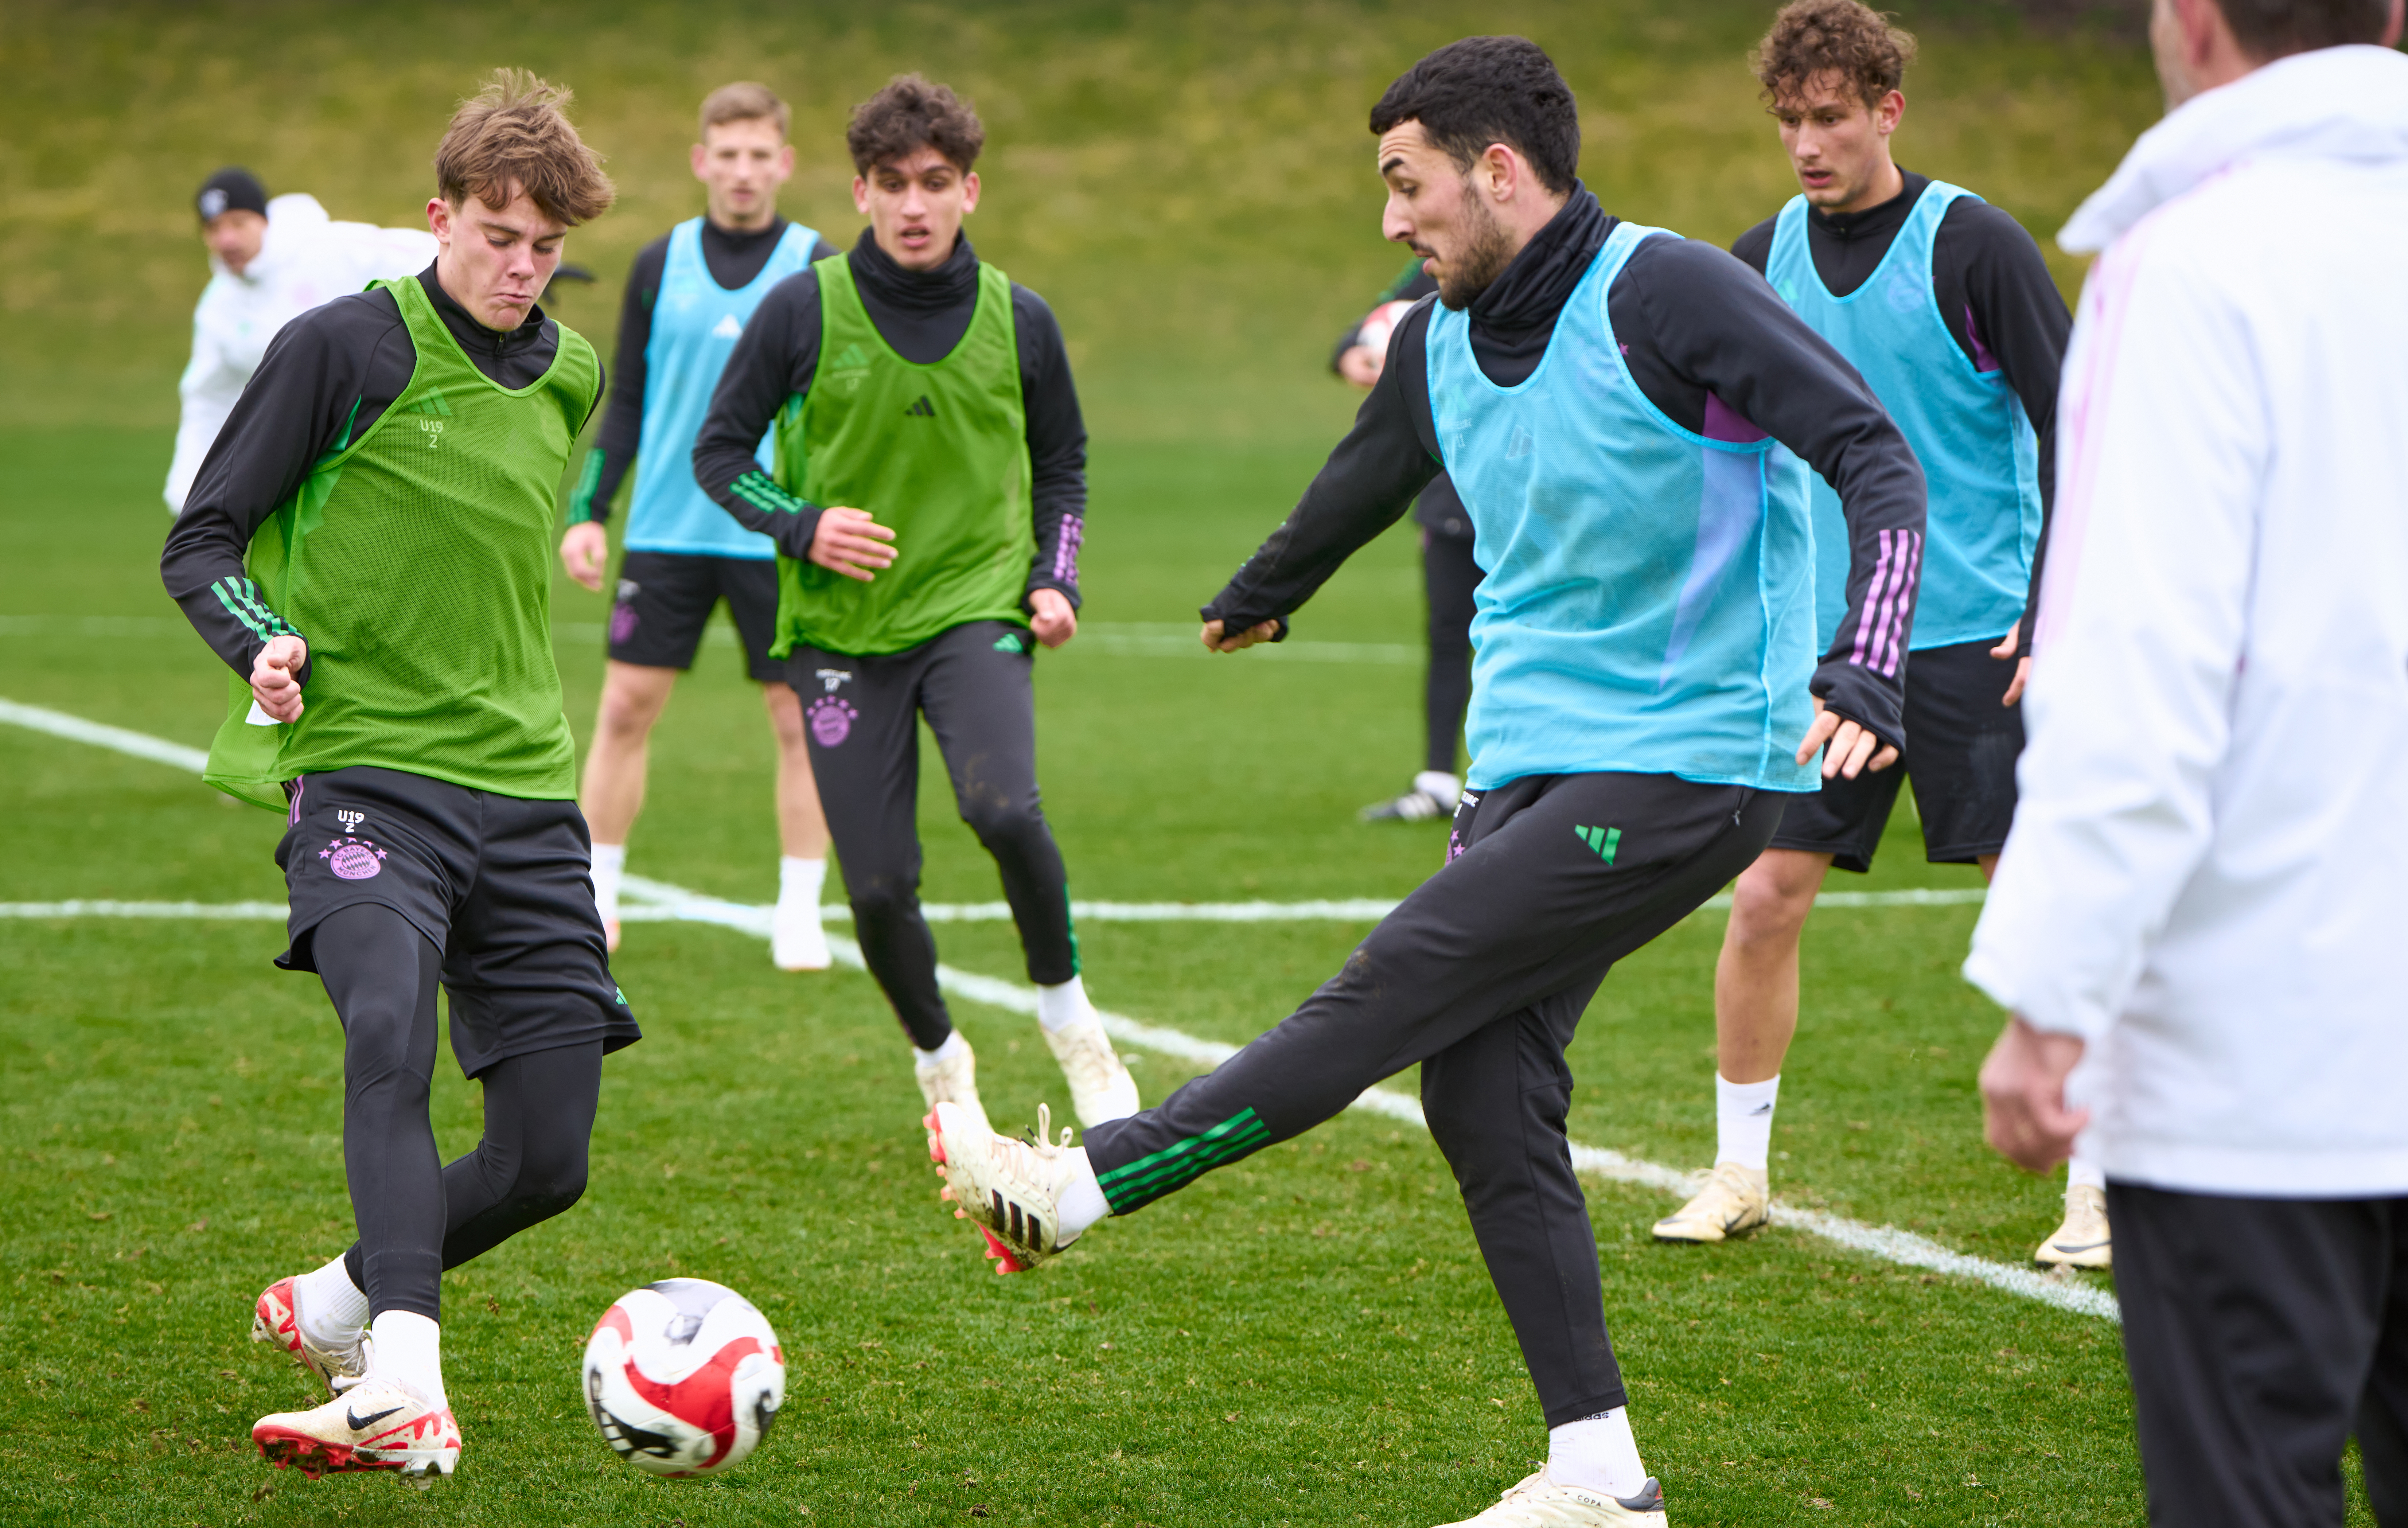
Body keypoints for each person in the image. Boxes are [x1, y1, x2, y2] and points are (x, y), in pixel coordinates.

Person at [922, 36, 1925, 1527]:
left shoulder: (1666, 291)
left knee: (1395, 982)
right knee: (1478, 1085)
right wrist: (1263, 587)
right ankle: (1598, 1472)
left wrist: (1866, 661)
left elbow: (1873, 453)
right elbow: (1371, 467)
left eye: (1409, 186)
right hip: (1525, 763)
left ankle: (1088, 1185)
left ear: (1498, 172)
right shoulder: (1442, 332)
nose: (1392, 221)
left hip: (1692, 761)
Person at [1969, 1, 2408, 1520]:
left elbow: (2141, 669)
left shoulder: (2195, 263)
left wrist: (2051, 995)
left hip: (2260, 1062)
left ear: (2191, 20)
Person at [160, 71, 631, 1480]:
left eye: (547, 248)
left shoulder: (571, 372)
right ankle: (396, 1386)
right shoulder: (343, 349)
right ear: (440, 217)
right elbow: (207, 539)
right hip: (369, 779)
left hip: (528, 796)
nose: (522, 269)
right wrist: (262, 649)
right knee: (387, 1030)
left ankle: (343, 1298)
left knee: (550, 1159)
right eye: (499, 236)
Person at [1651, 0, 2082, 1263]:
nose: (1806, 143)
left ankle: (2101, 1180)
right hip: (1835, 657)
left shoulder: (1975, 247)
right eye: (1788, 119)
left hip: (1977, 636)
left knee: (2029, 901)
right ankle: (1738, 1169)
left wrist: (2052, 607)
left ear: (1888, 110)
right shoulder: (1756, 258)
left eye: (1830, 117)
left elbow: (2077, 426)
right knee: (1766, 894)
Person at [692, 74, 1136, 1133]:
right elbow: (718, 454)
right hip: (840, 636)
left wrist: (1053, 574)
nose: (914, 204)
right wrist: (802, 523)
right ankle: (942, 1061)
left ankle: (1071, 1018)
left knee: (1003, 808)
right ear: (860, 192)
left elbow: (1062, 460)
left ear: (970, 189)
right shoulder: (802, 307)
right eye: (892, 184)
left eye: (935, 182)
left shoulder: (1020, 317)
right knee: (880, 887)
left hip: (974, 606)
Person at [560, 82, 839, 968]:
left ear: (783, 163)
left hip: (772, 534)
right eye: (728, 154)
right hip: (668, 531)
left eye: (761, 155)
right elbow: (630, 399)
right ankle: (594, 897)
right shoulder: (659, 261)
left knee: (798, 718)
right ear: (701, 161)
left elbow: (832, 411)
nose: (744, 171)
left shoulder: (817, 263)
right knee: (624, 708)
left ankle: (798, 910)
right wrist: (588, 510)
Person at [164, 168, 434, 515]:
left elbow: (430, 256)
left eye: (238, 223)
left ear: (264, 220)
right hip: (302, 460)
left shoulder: (330, 248)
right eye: (214, 229)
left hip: (391, 434)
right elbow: (210, 398)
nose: (226, 240)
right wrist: (188, 497)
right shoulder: (218, 306)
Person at [1332, 260, 1479, 825]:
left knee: (1529, 636)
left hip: (1524, 489)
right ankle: (1439, 783)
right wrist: (1360, 356)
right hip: (1447, 493)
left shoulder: (1535, 273)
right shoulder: (1437, 269)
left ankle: (1540, 780)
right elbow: (1356, 337)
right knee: (1447, 635)